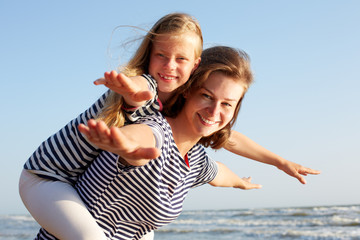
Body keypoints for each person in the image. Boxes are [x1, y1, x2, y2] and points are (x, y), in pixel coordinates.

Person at [19, 13, 320, 240]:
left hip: (83, 186)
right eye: (161, 55)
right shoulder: (147, 90)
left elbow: (226, 142)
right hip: (47, 176)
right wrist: (127, 124)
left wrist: (269, 167)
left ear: (194, 65)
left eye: (180, 59)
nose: (169, 66)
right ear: (149, 55)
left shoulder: (189, 127)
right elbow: (143, 135)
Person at [58, 45, 262, 239]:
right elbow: (143, 137)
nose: (215, 111)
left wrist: (242, 183)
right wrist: (124, 143)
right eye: (207, 96)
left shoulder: (195, 159)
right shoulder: (158, 129)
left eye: (227, 104)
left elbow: (219, 174)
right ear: (187, 90)